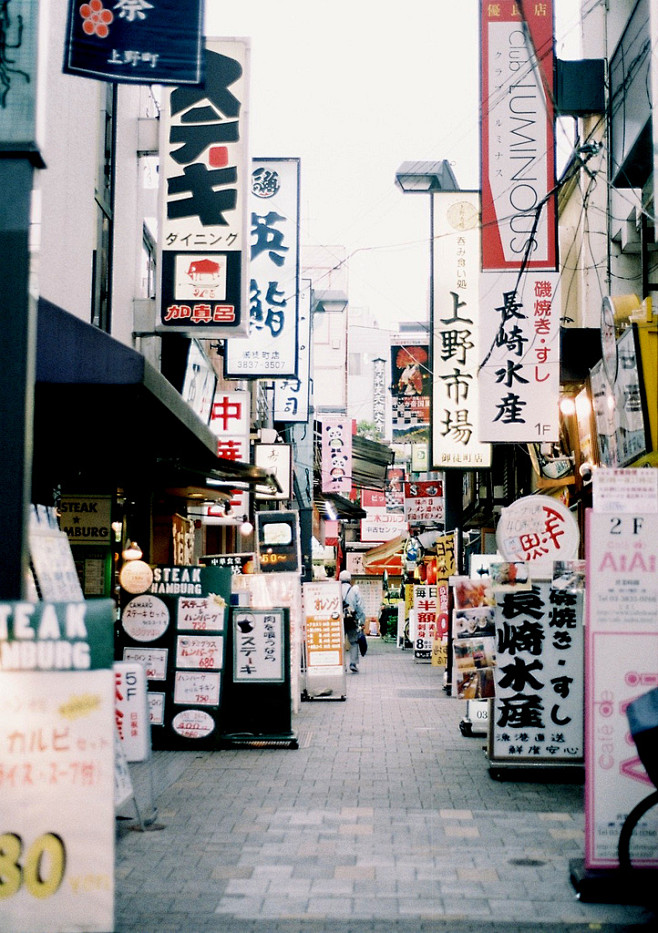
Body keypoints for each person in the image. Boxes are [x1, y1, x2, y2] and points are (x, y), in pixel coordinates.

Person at [340, 569, 366, 673]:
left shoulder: (336, 588)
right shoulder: (354, 590)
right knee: (354, 641)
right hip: (351, 619)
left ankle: (342, 665)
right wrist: (361, 620)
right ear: (350, 579)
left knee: (340, 642)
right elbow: (360, 606)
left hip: (338, 619)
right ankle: (353, 663)